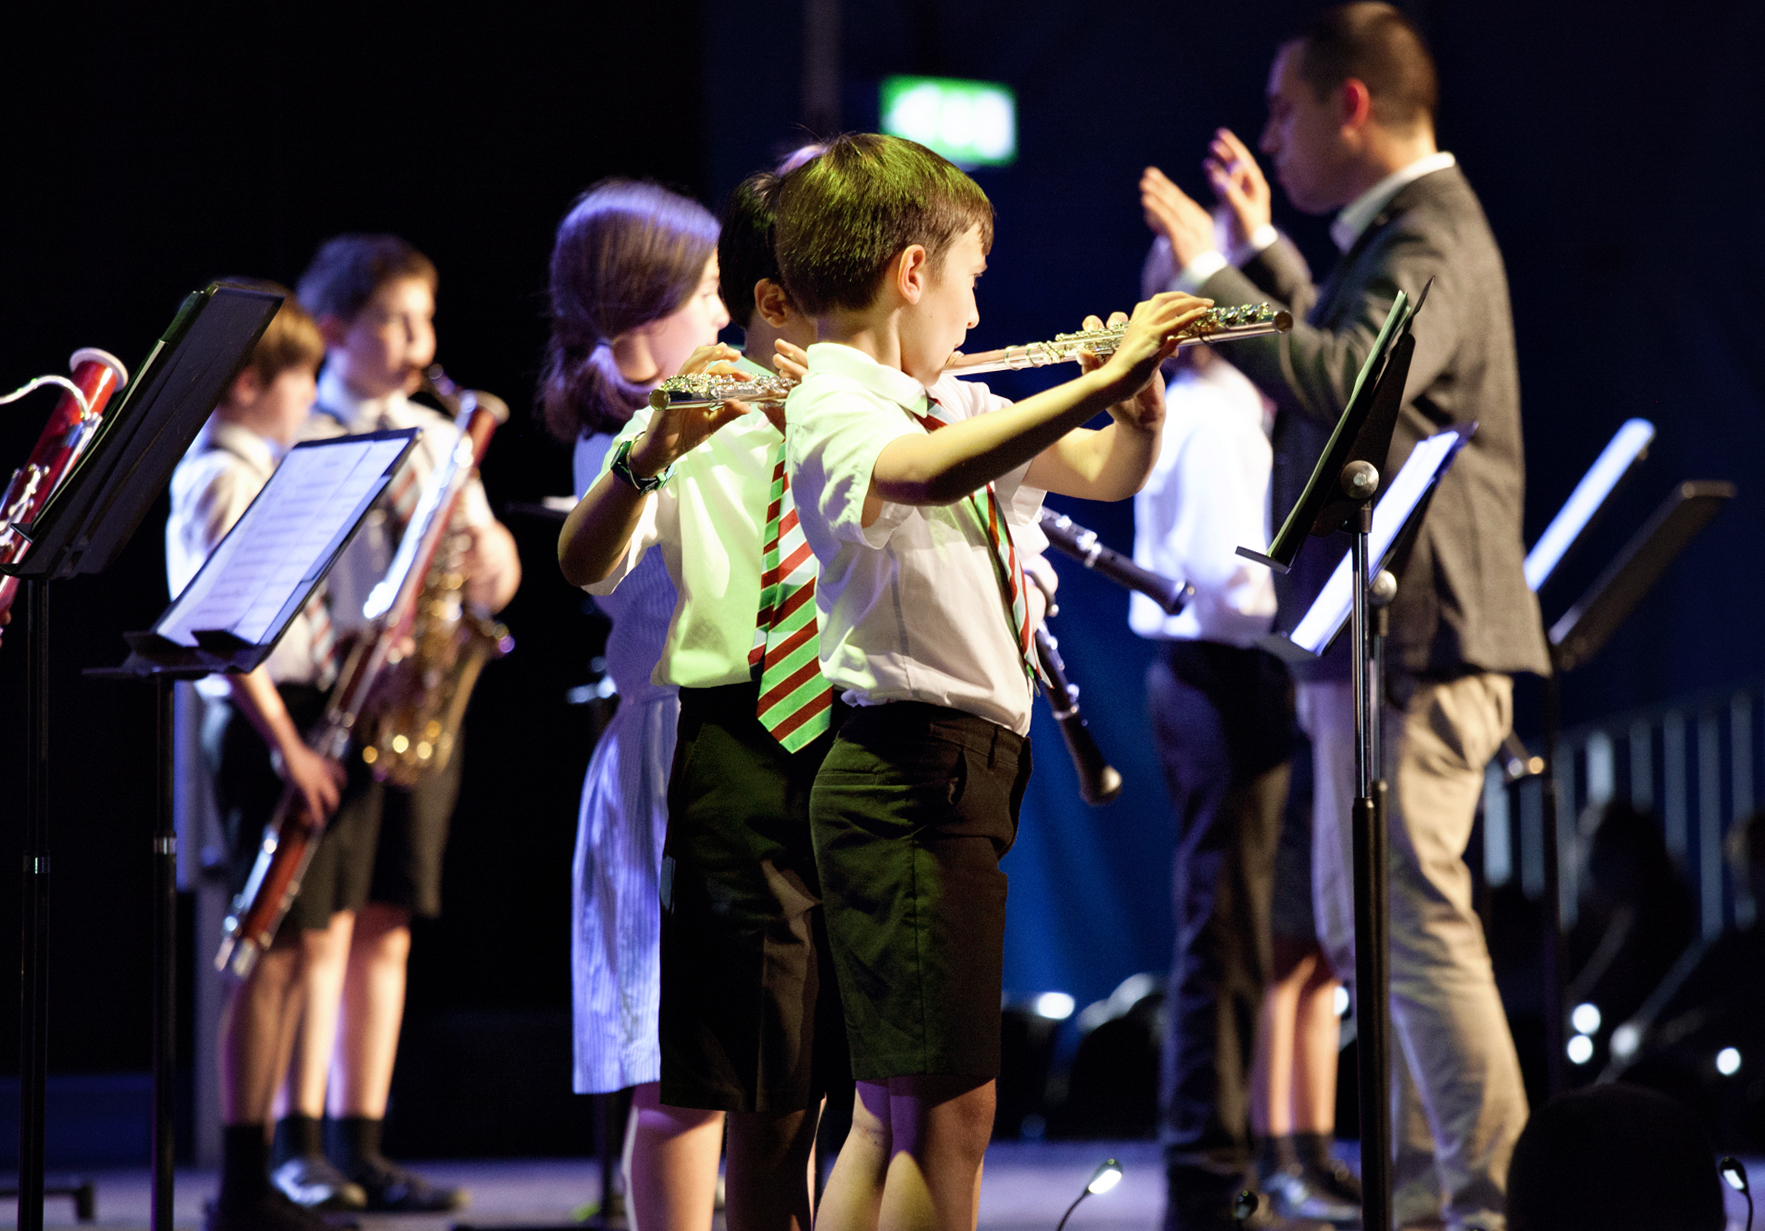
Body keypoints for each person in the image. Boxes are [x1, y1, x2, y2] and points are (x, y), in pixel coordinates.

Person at [1139, 5, 1548, 1228]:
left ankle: (1484, 1201)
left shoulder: (1432, 230)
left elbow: (1339, 376)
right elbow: (1338, 339)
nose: (1273, 133)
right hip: (1373, 635)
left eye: (1285, 109)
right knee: (1366, 925)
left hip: (1423, 631)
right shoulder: (1405, 234)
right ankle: (1425, 1194)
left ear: (1350, 106)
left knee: (1412, 918)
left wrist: (1214, 280)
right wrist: (1261, 258)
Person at [773, 132, 1211, 1231]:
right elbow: (919, 477)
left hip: (958, 778)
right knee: (948, 1115)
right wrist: (1090, 382)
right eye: (968, 280)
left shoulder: (953, 400)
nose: (977, 316)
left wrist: (1136, 413)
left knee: (892, 1112)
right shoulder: (838, 404)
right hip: (903, 775)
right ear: (909, 274)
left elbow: (1102, 471)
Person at [556, 161, 843, 1231]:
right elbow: (610, 570)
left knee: (764, 1056)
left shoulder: (730, 419)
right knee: (675, 1066)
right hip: (672, 755)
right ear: (643, 305)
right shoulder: (621, 440)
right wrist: (679, 438)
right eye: (709, 287)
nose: (728, 309)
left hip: (751, 744)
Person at [270, 234, 522, 1214]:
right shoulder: (309, 428)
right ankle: (298, 1142)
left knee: (387, 930)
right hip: (330, 697)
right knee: (321, 930)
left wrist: (466, 516)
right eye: (396, 320)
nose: (420, 342)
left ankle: (360, 1142)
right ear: (335, 327)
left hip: (417, 708)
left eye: (427, 319)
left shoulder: (438, 436)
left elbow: (495, 578)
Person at [165, 284, 348, 1231]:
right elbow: (222, 634)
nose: (312, 398)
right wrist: (288, 748)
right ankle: (240, 1179)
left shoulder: (256, 468)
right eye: (303, 379)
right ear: (246, 383)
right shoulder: (220, 475)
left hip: (293, 717)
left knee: (294, 949)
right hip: (259, 727)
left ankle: (262, 1169)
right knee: (264, 949)